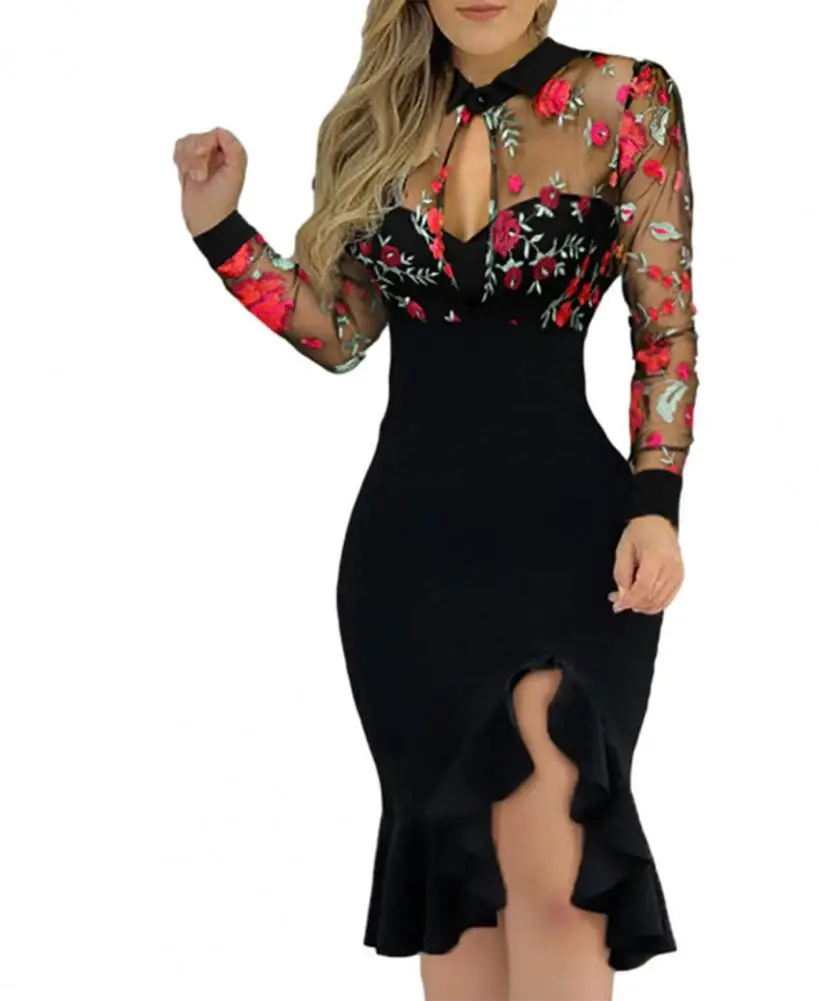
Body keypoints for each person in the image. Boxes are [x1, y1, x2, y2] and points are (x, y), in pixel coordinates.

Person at [175, 0, 698, 997]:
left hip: (570, 536)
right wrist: (219, 227)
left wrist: (655, 503)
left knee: (557, 869)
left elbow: (664, 328)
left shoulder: (624, 96)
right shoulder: (373, 119)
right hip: (409, 552)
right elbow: (340, 334)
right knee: (456, 881)